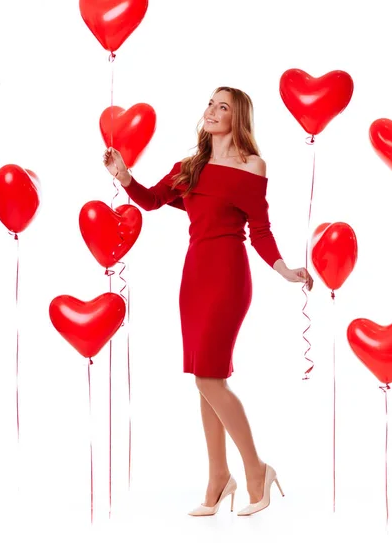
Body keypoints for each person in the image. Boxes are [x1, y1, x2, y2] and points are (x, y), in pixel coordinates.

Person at [103, 86, 313, 517]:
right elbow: (153, 200)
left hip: (228, 278)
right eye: (211, 104)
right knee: (204, 376)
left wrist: (285, 269)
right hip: (194, 278)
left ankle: (257, 471)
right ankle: (219, 478)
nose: (214, 111)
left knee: (209, 380)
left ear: (238, 119)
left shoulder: (252, 165)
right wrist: (124, 177)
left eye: (224, 107)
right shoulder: (190, 168)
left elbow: (261, 229)